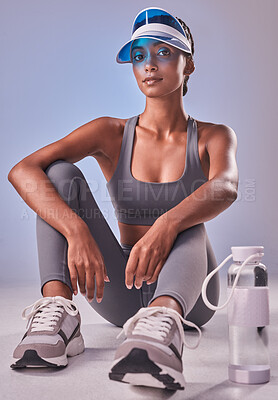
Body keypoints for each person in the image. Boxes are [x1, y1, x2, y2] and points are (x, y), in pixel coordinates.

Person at [7, 6, 238, 391]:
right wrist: (76, 230)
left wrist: (167, 223)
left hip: (191, 296)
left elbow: (227, 185)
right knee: (58, 176)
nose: (150, 64)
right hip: (121, 288)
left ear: (189, 66)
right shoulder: (110, 133)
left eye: (164, 52)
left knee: (187, 216)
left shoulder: (214, 136)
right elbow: (23, 170)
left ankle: (163, 335)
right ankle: (58, 315)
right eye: (139, 55)